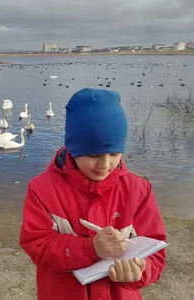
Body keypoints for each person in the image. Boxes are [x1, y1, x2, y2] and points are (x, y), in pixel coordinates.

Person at [19, 88, 166, 300]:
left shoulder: (139, 190)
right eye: (94, 154)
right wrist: (90, 248)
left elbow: (156, 254)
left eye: (114, 153)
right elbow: (37, 245)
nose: (104, 165)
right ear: (74, 148)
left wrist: (141, 271)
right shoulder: (42, 190)